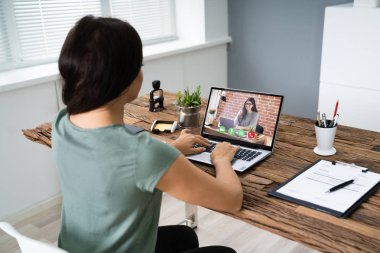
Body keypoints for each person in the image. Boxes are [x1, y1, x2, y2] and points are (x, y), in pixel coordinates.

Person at [52, 15, 242, 253]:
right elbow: (232, 200)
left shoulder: (62, 123)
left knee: (184, 237)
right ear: (126, 78)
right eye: (139, 65)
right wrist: (222, 159)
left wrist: (172, 150)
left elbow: (114, 167)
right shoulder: (142, 152)